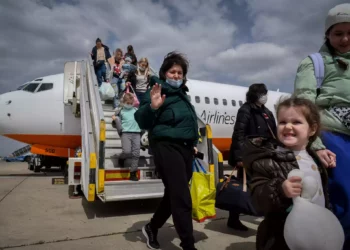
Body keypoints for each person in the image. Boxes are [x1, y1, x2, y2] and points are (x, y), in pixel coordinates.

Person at [294, 3, 350, 246]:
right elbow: (305, 107)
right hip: (333, 136)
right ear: (327, 34)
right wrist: (316, 144)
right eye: (338, 33)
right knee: (346, 200)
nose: (345, 39)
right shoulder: (314, 63)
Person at [242, 96, 331, 250]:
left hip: (315, 234)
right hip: (282, 239)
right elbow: (257, 200)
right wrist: (280, 190)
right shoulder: (268, 160)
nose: (288, 126)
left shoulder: (315, 159)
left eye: (296, 122)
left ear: (312, 129)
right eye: (282, 122)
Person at [134, 52, 199, 250]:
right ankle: (188, 245)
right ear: (164, 73)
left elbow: (189, 124)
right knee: (181, 197)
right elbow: (141, 120)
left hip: (186, 149)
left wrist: (193, 142)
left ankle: (152, 227)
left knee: (173, 195)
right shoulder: (156, 91)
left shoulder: (183, 96)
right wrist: (152, 107)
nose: (176, 75)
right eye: (173, 72)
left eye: (180, 72)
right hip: (165, 147)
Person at [227, 83, 276, 231]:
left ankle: (265, 217)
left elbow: (273, 133)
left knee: (265, 187)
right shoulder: (246, 110)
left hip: (264, 155)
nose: (264, 96)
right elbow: (239, 134)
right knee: (243, 187)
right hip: (249, 155)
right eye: (262, 93)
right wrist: (240, 157)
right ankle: (233, 219)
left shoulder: (266, 112)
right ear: (254, 95)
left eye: (265, 93)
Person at [112, 93, 141, 181]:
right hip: (126, 133)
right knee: (127, 151)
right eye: (127, 103)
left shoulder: (136, 110)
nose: (129, 104)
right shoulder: (120, 111)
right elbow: (115, 124)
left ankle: (133, 173)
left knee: (136, 154)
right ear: (124, 102)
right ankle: (122, 158)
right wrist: (115, 119)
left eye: (131, 103)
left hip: (136, 133)